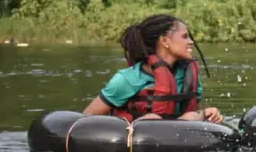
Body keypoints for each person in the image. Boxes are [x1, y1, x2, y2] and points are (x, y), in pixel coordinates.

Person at [82, 14, 223, 123]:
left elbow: (192, 108)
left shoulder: (187, 75)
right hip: (138, 145)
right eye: (185, 37)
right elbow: (86, 118)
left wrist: (206, 113)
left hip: (178, 139)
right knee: (151, 118)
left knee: (192, 116)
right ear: (165, 41)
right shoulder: (128, 79)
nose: (191, 42)